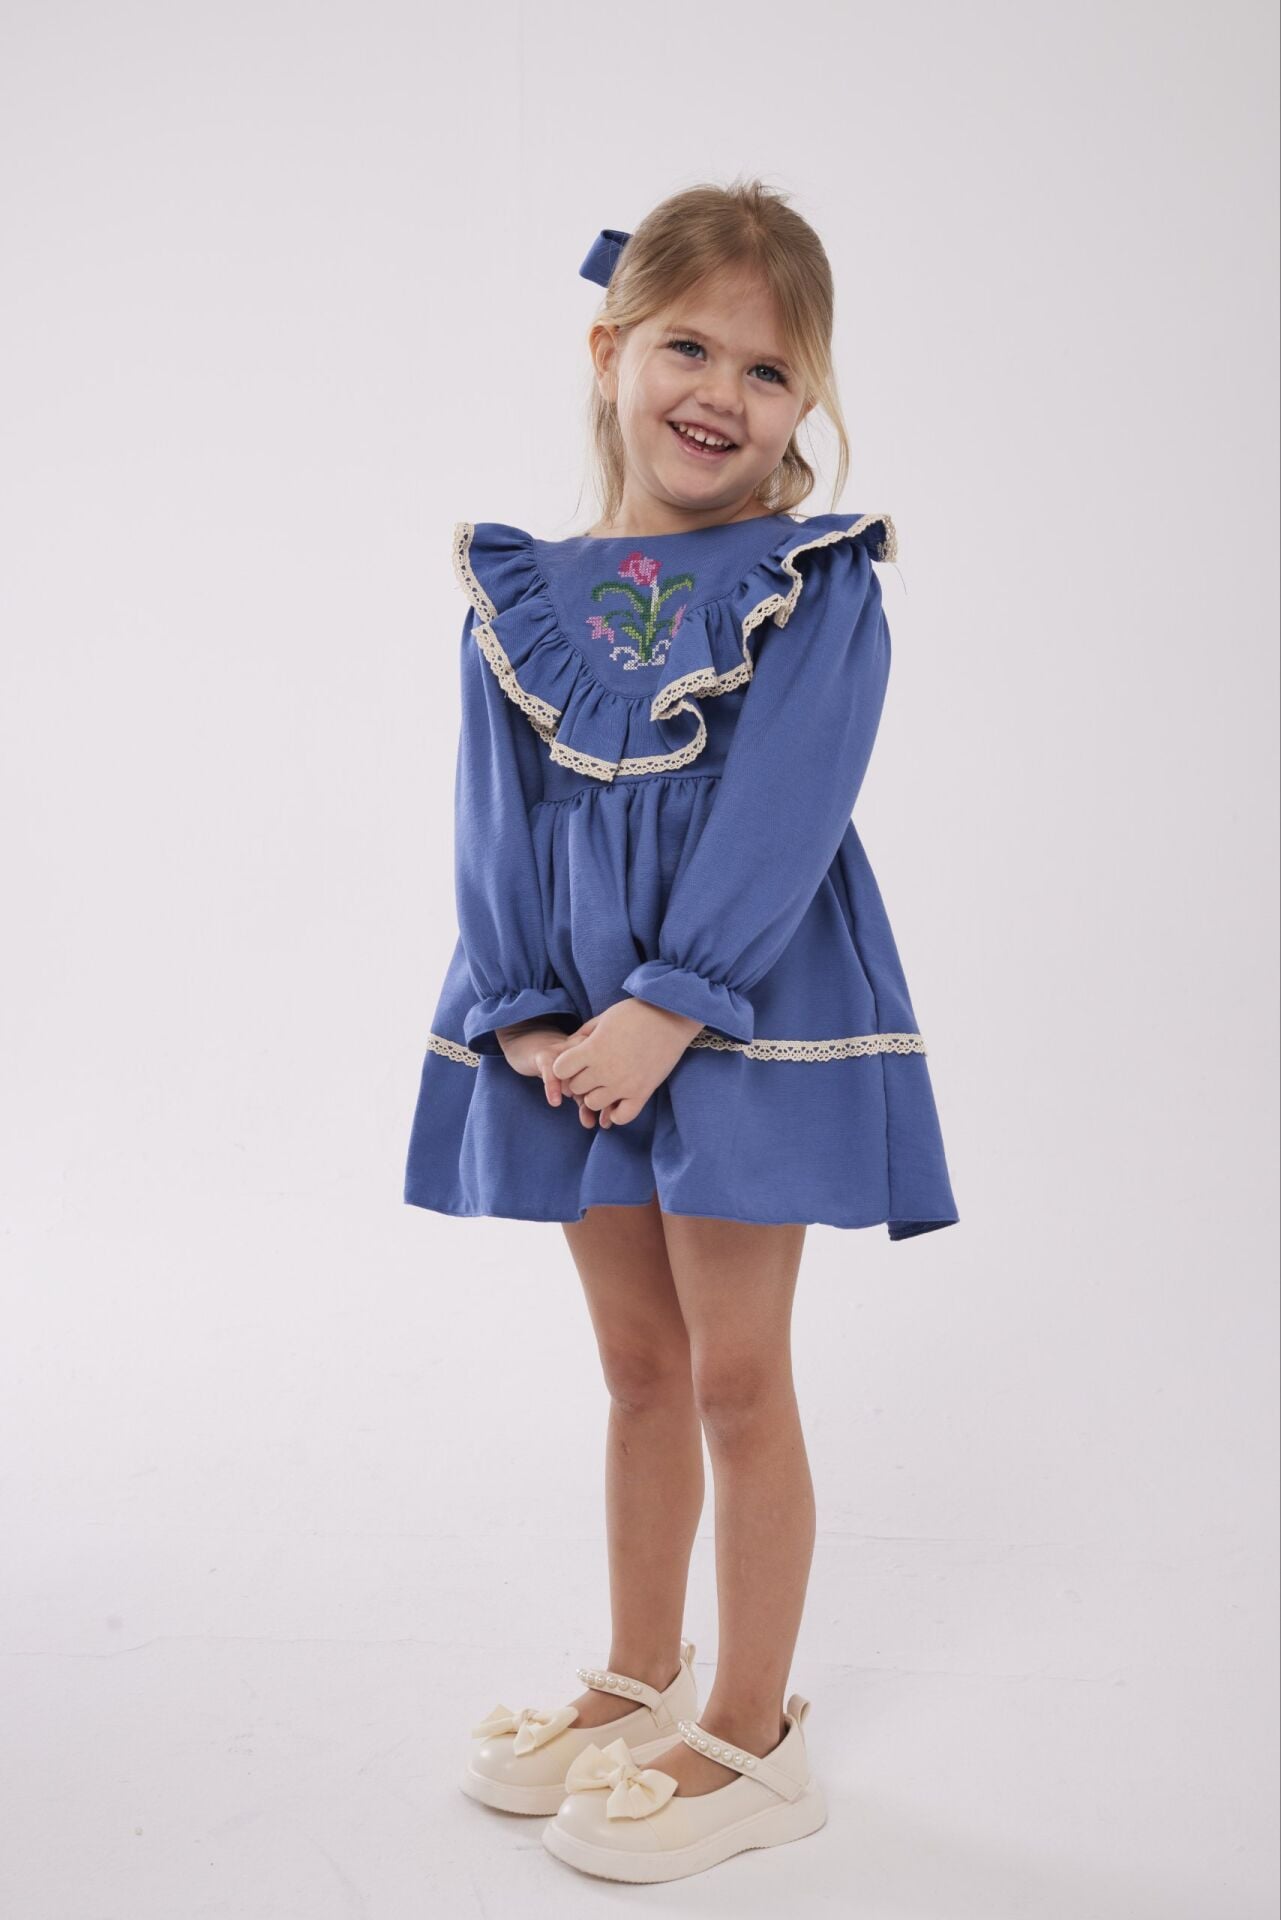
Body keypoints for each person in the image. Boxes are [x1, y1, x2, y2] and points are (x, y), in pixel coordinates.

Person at [403, 178, 960, 1883]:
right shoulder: (523, 589)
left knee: (731, 1372)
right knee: (637, 1369)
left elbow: (791, 803)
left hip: (741, 1004)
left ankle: (754, 1732)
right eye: (688, 348)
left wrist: (669, 1000)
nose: (721, 393)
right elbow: (490, 813)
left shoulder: (813, 581)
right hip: (572, 1025)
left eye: (768, 371)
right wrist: (521, 1008)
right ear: (610, 352)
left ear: (807, 402)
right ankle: (641, 1673)